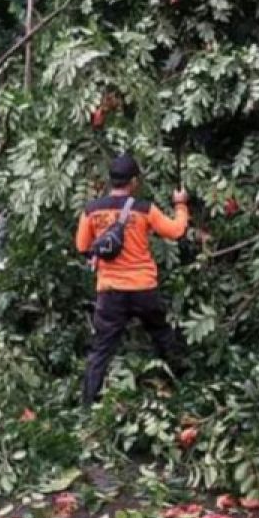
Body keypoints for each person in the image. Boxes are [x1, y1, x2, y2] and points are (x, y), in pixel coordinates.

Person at [76, 154, 190, 406]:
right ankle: (186, 386)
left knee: (101, 351)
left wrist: (95, 256)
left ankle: (86, 406)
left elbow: (82, 245)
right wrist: (181, 205)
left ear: (111, 180)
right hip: (143, 288)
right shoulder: (144, 209)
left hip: (110, 292)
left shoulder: (91, 210)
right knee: (162, 334)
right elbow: (176, 231)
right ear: (134, 181)